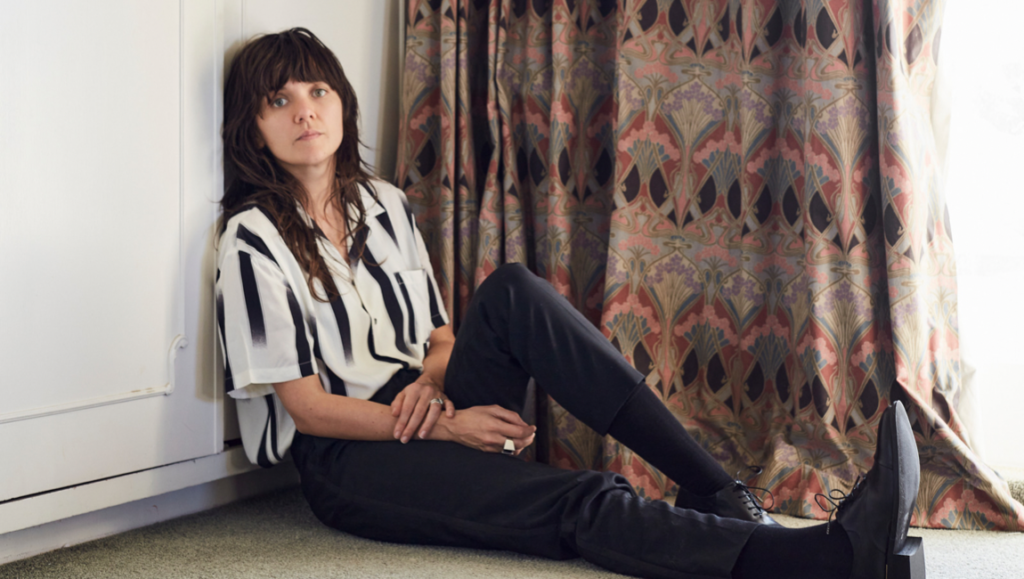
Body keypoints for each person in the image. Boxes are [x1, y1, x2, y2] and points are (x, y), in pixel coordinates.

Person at [214, 28, 925, 579]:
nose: (305, 110)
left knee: (512, 290)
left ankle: (718, 489)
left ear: (342, 103)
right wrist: (448, 427)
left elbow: (438, 336)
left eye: (318, 90)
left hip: (425, 402)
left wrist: (432, 385)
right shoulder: (252, 239)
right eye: (279, 100)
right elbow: (308, 408)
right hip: (353, 457)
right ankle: (822, 561)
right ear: (253, 126)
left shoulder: (384, 204)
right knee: (576, 495)